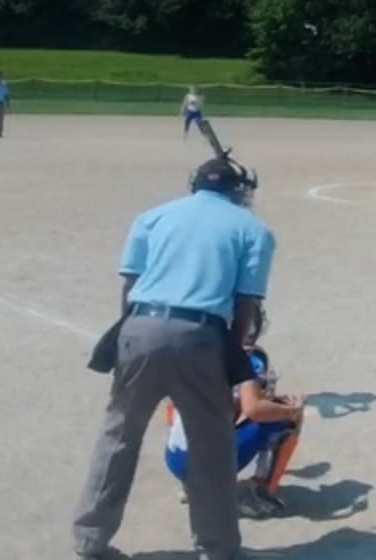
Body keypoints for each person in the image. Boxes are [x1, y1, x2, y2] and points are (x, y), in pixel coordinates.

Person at [72, 157, 276, 560]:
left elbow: (130, 287)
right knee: (211, 449)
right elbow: (245, 304)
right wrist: (231, 358)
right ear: (237, 190)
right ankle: (218, 548)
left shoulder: (152, 217)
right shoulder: (253, 229)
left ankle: (89, 541)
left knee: (118, 438)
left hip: (139, 327)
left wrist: (130, 338)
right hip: (200, 336)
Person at [162, 307, 306, 518]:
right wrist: (291, 408)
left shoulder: (194, 349)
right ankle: (260, 490)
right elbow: (254, 410)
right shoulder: (249, 357)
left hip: (175, 458)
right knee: (287, 418)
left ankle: (189, 487)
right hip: (205, 463)